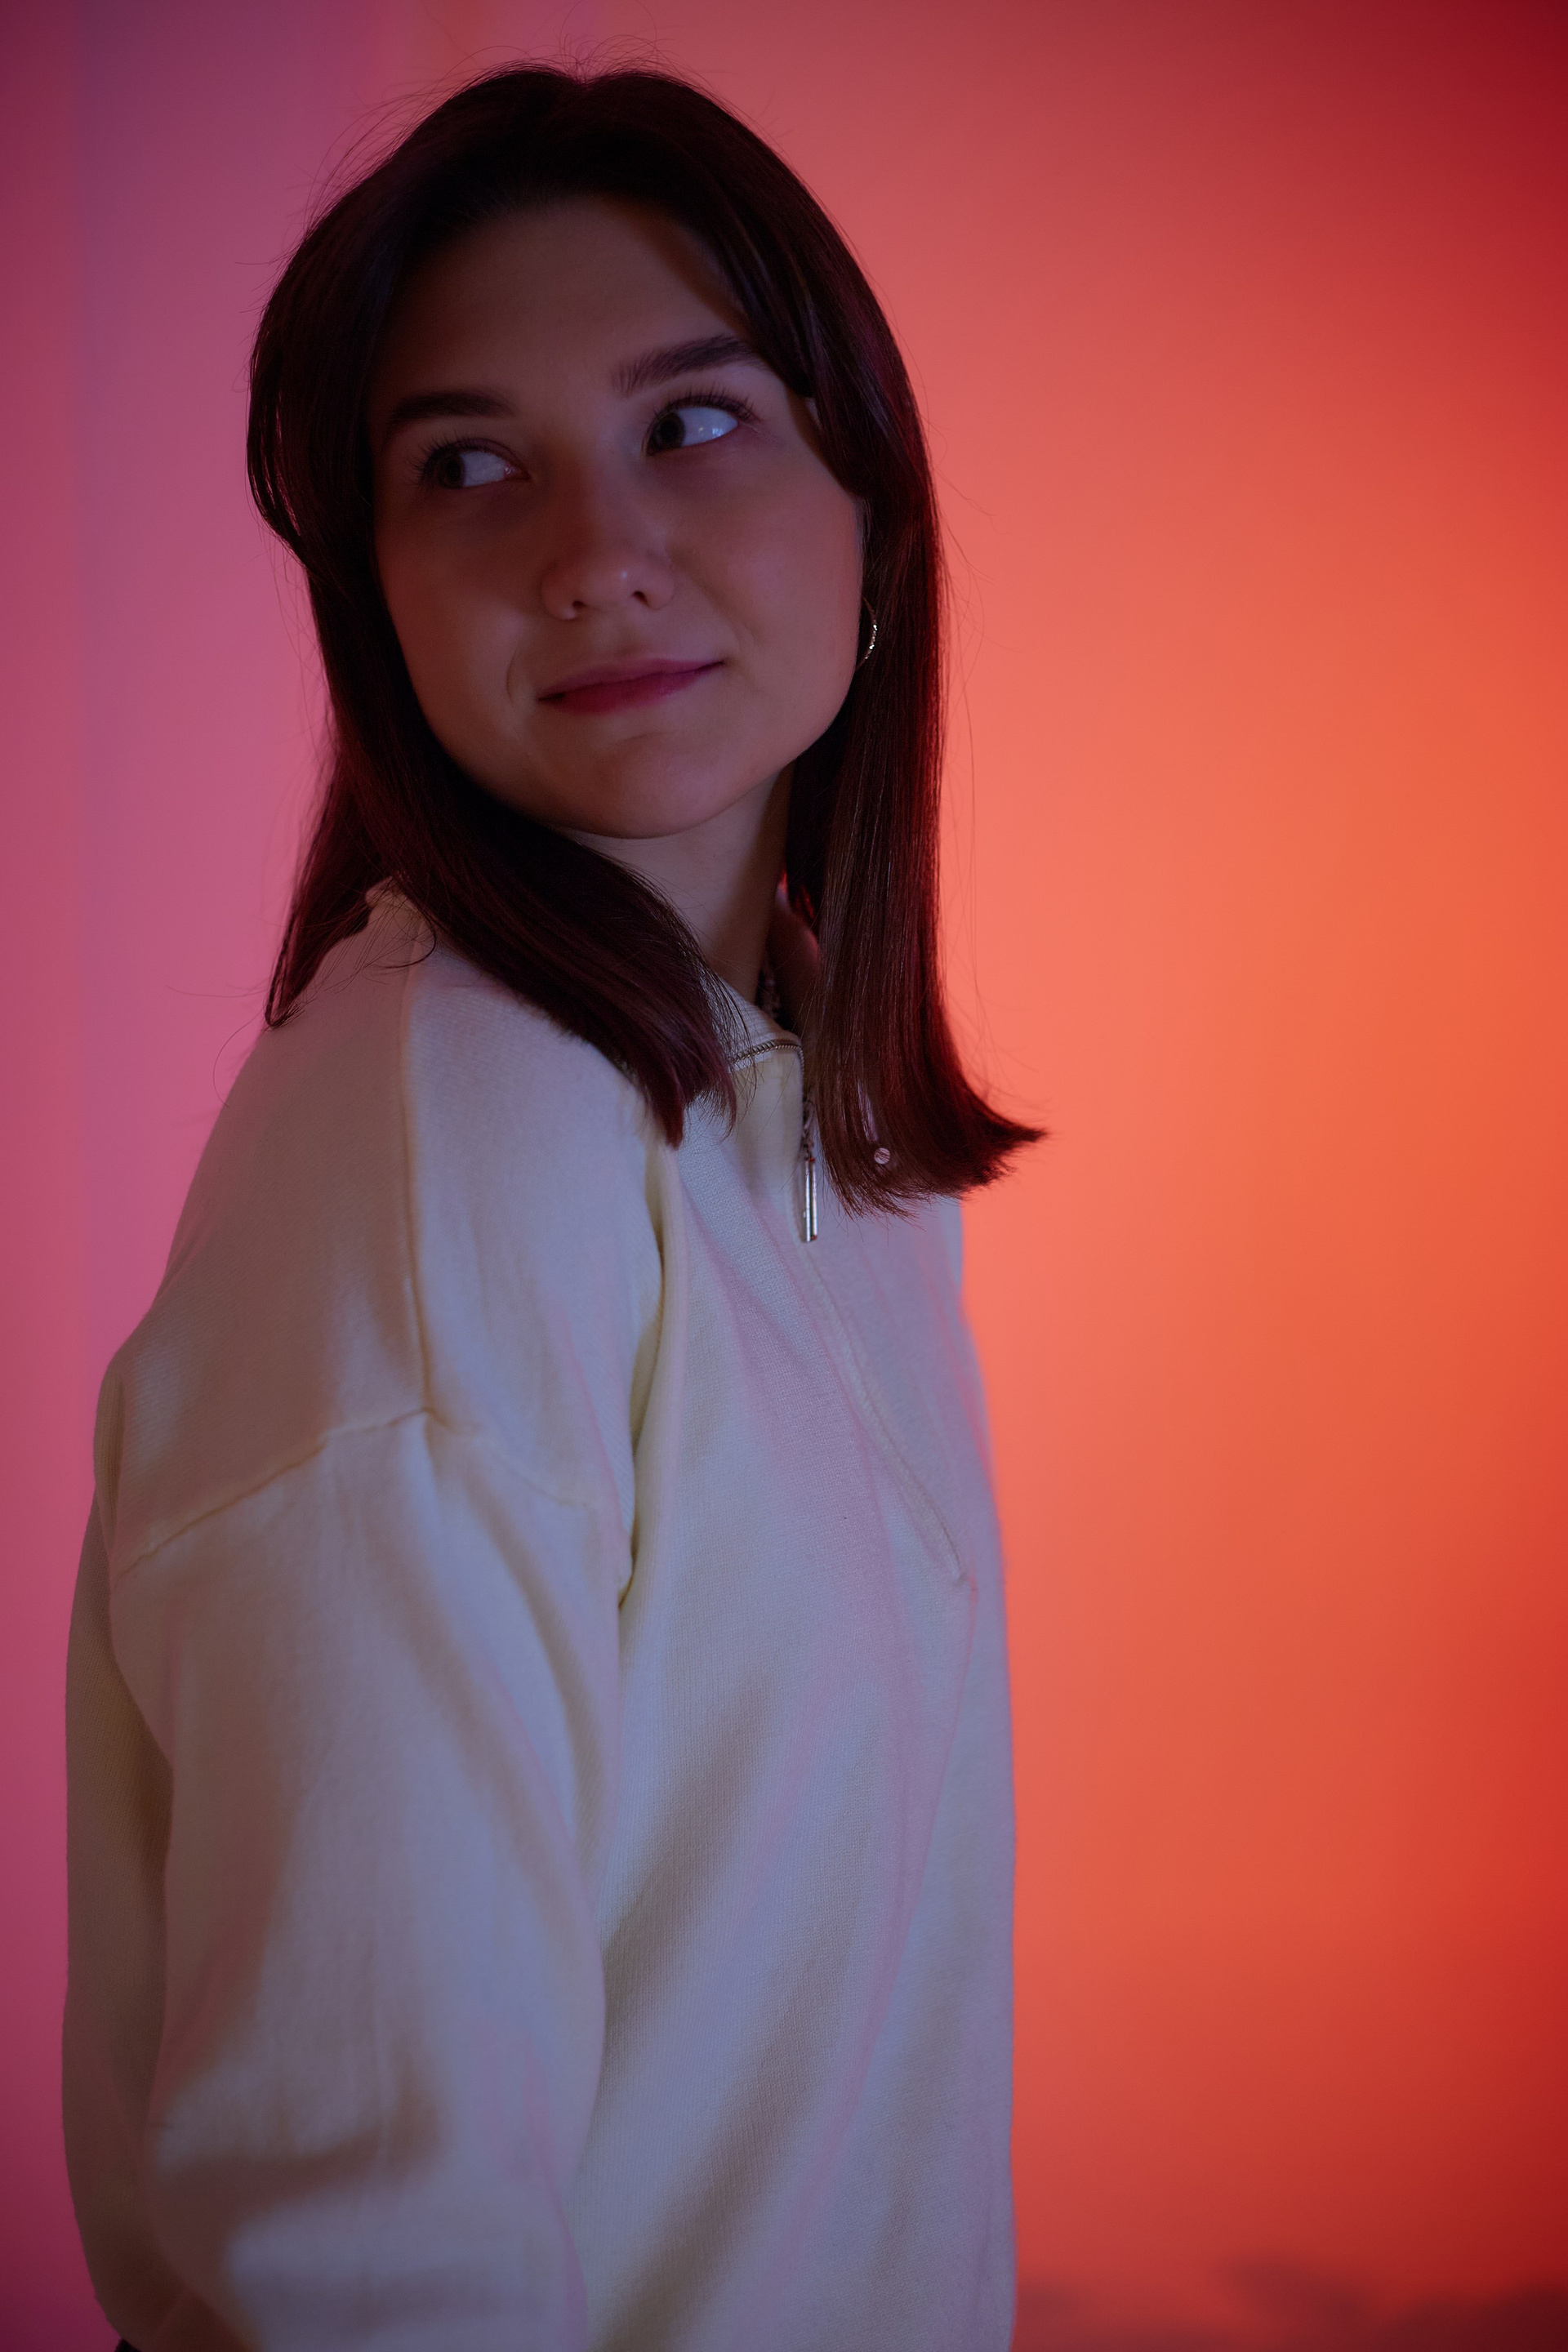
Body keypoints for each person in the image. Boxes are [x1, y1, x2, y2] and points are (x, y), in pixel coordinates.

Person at [64, 63, 1038, 2352]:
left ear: (873, 512)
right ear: (376, 599)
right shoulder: (454, 1138)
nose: (592, 550)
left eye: (691, 424)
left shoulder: (821, 1133)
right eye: (468, 466)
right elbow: (363, 2248)